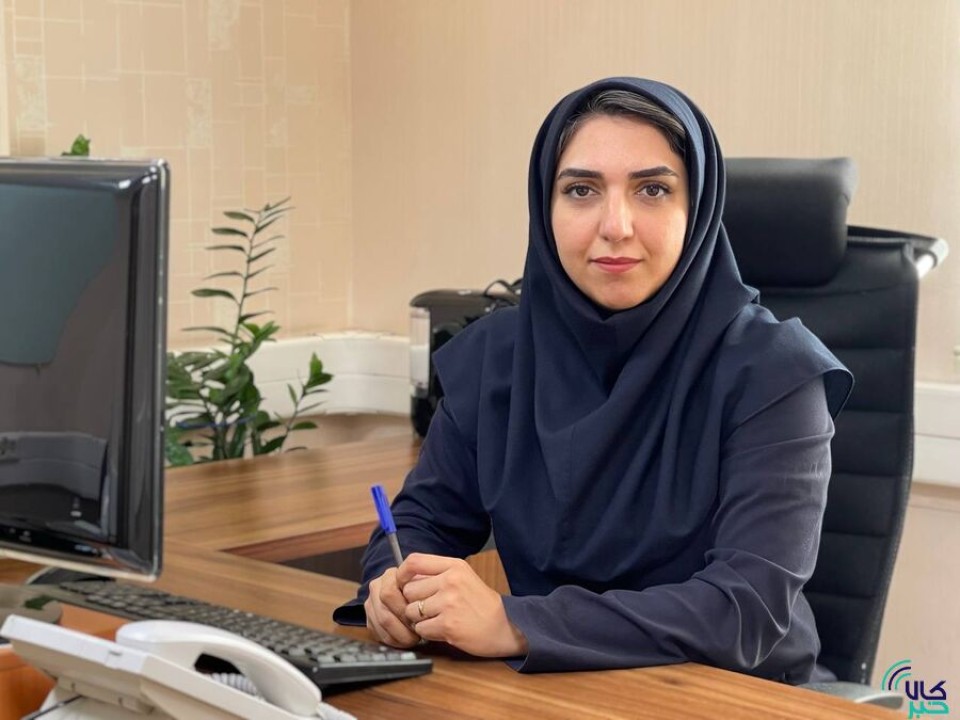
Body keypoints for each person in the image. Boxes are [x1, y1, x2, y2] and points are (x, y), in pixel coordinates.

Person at [333, 76, 853, 684]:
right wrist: (391, 586)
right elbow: (421, 521)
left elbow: (745, 610)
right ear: (544, 207)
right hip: (556, 691)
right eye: (581, 190)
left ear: (698, 209)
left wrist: (516, 624)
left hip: (736, 696)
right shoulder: (496, 359)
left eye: (653, 190)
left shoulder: (776, 373)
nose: (616, 225)